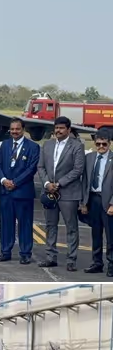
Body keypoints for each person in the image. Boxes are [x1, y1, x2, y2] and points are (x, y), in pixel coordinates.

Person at [39, 116, 87, 271]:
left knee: (71, 227)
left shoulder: (77, 146)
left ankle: (71, 260)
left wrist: (59, 184)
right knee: (50, 225)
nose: (58, 131)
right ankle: (50, 257)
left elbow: (77, 170)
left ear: (68, 129)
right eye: (56, 128)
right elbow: (40, 167)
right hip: (49, 192)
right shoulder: (47, 145)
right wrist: (47, 184)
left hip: (68, 193)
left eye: (61, 128)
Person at [0, 119, 40, 263]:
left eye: (17, 129)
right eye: (12, 129)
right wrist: (3, 180)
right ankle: (5, 251)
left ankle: (25, 253)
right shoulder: (5, 144)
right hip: (5, 192)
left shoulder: (33, 147)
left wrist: (15, 182)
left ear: (23, 130)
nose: (14, 132)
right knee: (6, 223)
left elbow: (31, 169)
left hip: (23, 192)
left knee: (25, 224)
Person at [81, 129, 113, 274]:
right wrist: (84, 203)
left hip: (108, 201)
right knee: (96, 233)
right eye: (98, 144)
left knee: (111, 236)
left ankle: (111, 264)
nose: (101, 147)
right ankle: (97, 263)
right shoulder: (89, 158)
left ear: (109, 144)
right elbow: (85, 181)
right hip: (93, 200)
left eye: (104, 144)